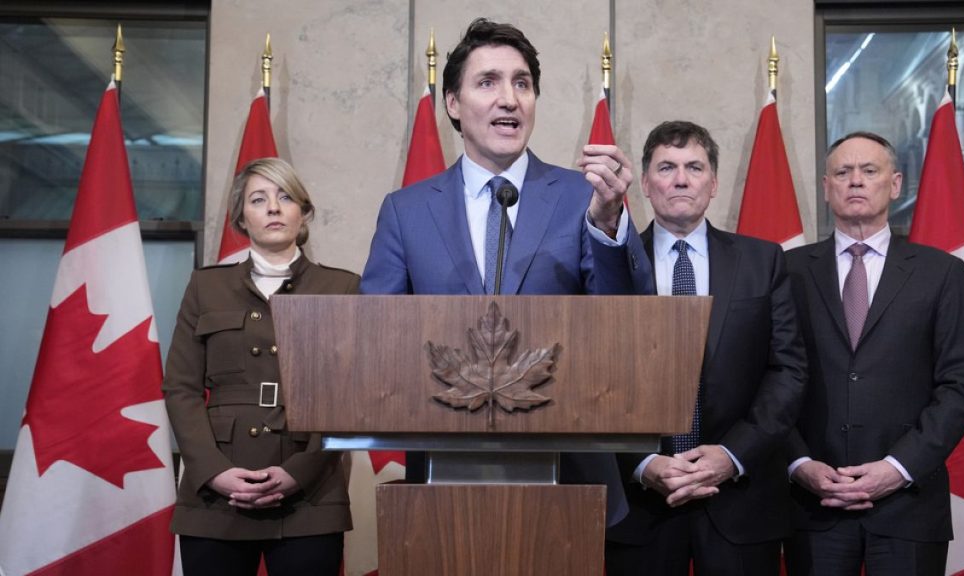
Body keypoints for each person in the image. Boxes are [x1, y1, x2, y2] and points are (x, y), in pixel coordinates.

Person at [360, 18, 653, 525]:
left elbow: (625, 321)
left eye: (522, 83)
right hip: (444, 472)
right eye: (487, 82)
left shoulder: (583, 197)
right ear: (453, 103)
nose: (509, 99)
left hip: (570, 474)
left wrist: (608, 223)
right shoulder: (405, 212)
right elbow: (376, 335)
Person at [605, 121, 807, 576]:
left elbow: (788, 371)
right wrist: (643, 463)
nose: (681, 178)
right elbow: (596, 380)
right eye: (667, 167)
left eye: (694, 167)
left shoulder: (763, 260)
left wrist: (730, 455)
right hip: (642, 505)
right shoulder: (610, 267)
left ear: (713, 184)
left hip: (740, 498)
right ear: (646, 184)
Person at [784, 132, 964, 576]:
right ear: (826, 187)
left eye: (869, 171)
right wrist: (799, 465)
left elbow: (960, 386)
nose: (856, 181)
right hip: (815, 504)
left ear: (894, 184)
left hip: (909, 505)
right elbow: (769, 379)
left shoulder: (942, 273)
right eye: (843, 172)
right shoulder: (788, 271)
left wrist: (898, 467)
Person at [162, 158, 360, 576]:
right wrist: (214, 472)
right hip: (216, 492)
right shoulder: (206, 286)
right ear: (242, 218)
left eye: (285, 197)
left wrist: (299, 473)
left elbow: (350, 395)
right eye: (259, 199)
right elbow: (180, 388)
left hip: (311, 490)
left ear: (302, 213)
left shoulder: (342, 287)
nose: (273, 207)